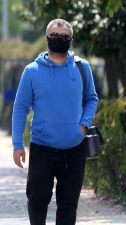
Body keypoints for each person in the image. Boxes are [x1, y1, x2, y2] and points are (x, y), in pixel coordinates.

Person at [12, 18, 99, 225]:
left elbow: (91, 98)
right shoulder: (32, 71)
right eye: (54, 36)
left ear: (71, 40)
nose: (59, 39)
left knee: (69, 205)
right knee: (37, 200)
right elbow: (20, 108)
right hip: (42, 147)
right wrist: (17, 144)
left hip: (74, 147)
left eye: (64, 36)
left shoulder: (82, 67)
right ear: (46, 39)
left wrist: (83, 125)